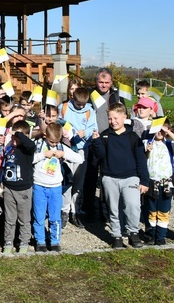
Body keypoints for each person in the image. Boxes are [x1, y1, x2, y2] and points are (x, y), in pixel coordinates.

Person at [91, 103, 149, 248]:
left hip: (130, 177)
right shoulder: (104, 135)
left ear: (125, 117)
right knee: (113, 208)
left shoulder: (133, 137)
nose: (113, 121)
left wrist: (144, 181)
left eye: (116, 118)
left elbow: (141, 160)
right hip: (110, 177)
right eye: (110, 119)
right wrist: (96, 142)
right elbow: (100, 156)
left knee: (133, 205)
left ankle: (133, 233)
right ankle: (116, 235)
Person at [83, 68, 126, 220]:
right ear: (96, 82)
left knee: (108, 177)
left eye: (107, 82)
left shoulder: (117, 96)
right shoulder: (90, 95)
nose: (103, 85)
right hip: (94, 139)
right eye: (101, 82)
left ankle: (106, 210)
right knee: (91, 175)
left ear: (111, 82)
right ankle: (88, 209)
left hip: (111, 139)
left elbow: (124, 115)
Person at [33, 123, 82, 252]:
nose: (54, 144)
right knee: (39, 215)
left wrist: (63, 154)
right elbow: (29, 160)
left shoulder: (61, 147)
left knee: (55, 216)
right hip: (39, 185)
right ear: (45, 136)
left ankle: (55, 240)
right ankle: (40, 240)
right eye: (51, 141)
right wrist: (43, 155)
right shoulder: (38, 145)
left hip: (55, 187)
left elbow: (79, 158)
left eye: (56, 142)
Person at [59, 87, 96, 228]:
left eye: (83, 104)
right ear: (72, 98)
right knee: (66, 180)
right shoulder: (64, 107)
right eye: (78, 104)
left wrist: (85, 132)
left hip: (81, 149)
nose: (80, 106)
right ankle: (64, 211)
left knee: (78, 182)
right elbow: (58, 121)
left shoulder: (89, 110)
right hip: (66, 148)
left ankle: (75, 211)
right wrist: (62, 131)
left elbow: (93, 127)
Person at [0, 120, 36, 254]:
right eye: (13, 137)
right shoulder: (9, 148)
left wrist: (19, 134)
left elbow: (31, 145)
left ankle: (24, 242)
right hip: (9, 189)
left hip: (24, 189)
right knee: (9, 218)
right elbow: (3, 166)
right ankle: (8, 242)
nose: (14, 139)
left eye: (17, 138)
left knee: (24, 219)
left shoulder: (27, 150)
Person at [143, 121, 174, 245]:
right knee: (152, 210)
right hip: (152, 182)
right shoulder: (147, 143)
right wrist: (147, 150)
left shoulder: (169, 144)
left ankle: (161, 236)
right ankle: (152, 235)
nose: (159, 132)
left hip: (166, 183)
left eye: (162, 130)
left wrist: (168, 132)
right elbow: (143, 156)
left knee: (164, 211)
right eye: (157, 129)